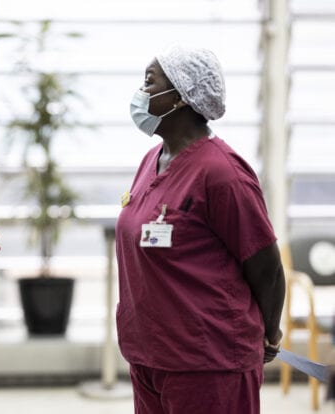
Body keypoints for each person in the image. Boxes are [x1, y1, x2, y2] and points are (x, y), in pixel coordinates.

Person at [115, 44, 285, 413]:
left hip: (207, 359)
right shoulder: (152, 160)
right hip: (150, 353)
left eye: (150, 82)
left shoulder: (222, 173)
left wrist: (269, 333)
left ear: (181, 96)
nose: (140, 92)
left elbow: (266, 267)